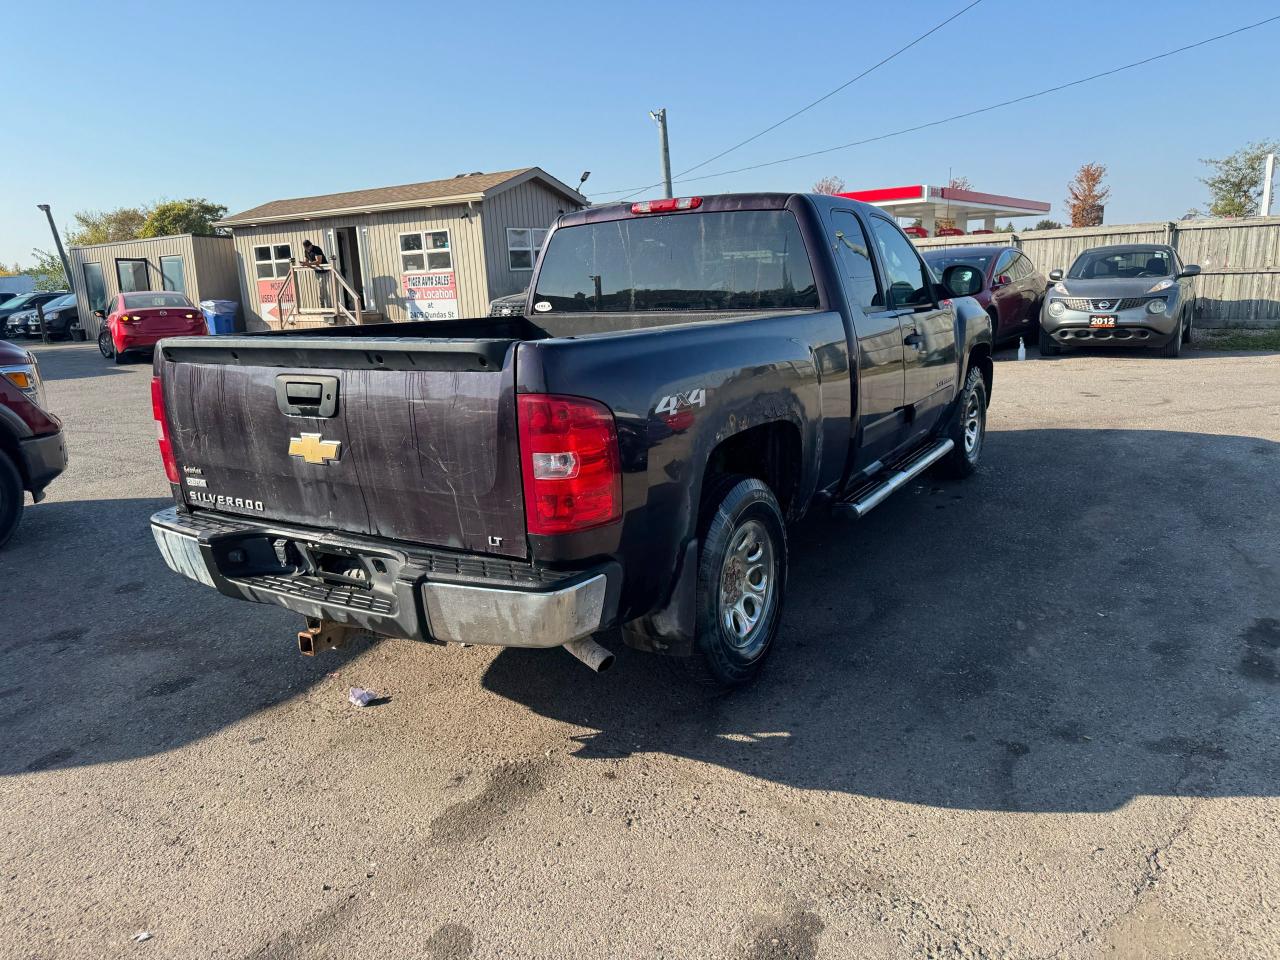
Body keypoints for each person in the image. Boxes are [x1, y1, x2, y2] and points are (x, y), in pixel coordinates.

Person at [302, 239, 330, 308]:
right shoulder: (306, 251)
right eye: (306, 247)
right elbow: (306, 261)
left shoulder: (316, 249)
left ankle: (323, 305)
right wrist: (304, 263)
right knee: (322, 289)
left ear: (311, 245)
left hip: (324, 271)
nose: (308, 249)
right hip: (317, 272)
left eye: (308, 247)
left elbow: (319, 261)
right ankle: (326, 305)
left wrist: (307, 264)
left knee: (321, 288)